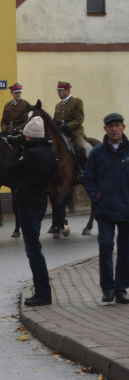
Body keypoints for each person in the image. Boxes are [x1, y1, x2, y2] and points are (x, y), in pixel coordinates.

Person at [7, 116, 59, 306]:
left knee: (34, 251)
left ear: (30, 137)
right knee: (35, 248)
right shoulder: (50, 152)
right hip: (40, 202)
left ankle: (43, 293)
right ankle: (42, 290)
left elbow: (11, 168)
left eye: (26, 137)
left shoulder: (31, 155)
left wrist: (15, 148)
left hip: (27, 204)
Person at [82, 112, 129, 304]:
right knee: (106, 246)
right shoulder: (97, 152)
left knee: (125, 251)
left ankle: (121, 289)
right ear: (105, 129)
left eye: (117, 125)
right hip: (105, 210)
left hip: (127, 210)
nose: (114, 129)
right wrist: (97, 196)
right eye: (111, 126)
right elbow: (88, 179)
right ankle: (107, 288)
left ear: (123, 128)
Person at [54, 81, 89, 167]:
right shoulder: (58, 105)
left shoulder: (77, 102)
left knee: (81, 148)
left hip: (75, 132)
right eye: (58, 91)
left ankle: (83, 168)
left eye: (60, 90)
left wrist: (67, 127)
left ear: (67, 90)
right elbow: (55, 120)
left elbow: (79, 119)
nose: (58, 93)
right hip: (61, 132)